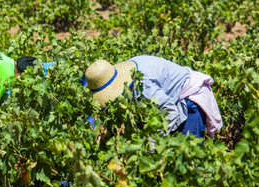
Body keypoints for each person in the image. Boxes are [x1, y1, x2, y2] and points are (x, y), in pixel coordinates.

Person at [84, 55, 223, 138]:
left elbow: (170, 111)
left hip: (191, 100)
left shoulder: (142, 86)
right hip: (172, 100)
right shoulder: (128, 77)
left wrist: (152, 141)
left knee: (189, 159)